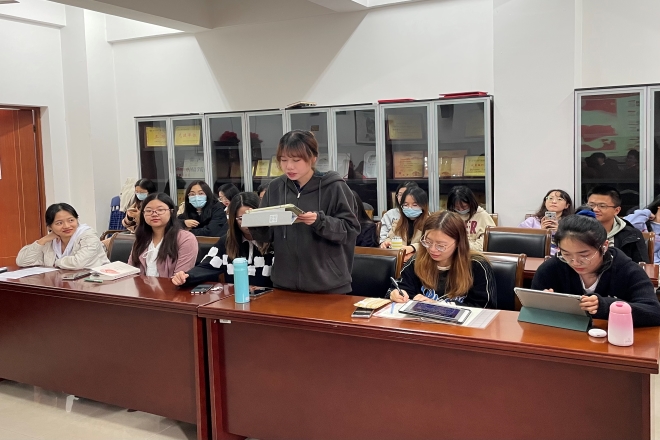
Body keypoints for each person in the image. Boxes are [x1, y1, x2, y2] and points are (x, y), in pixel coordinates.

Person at [249, 130, 360, 294]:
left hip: (328, 286)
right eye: (283, 160)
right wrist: (255, 222)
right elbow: (268, 236)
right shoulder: (275, 187)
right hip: (284, 284)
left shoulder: (334, 186)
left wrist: (319, 221)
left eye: (296, 160)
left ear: (313, 158)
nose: (289, 166)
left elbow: (350, 230)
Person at [531, 211, 660, 327]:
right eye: (566, 254)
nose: (575, 262)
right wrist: (542, 304)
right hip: (565, 338)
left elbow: (654, 312)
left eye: (584, 255)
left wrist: (607, 306)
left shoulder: (627, 270)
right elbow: (531, 312)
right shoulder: (551, 268)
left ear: (604, 246)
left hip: (613, 338)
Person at [387, 211, 496, 309]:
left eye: (441, 245)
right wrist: (396, 294)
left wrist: (439, 306)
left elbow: (485, 307)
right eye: (428, 242)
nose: (432, 249)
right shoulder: (417, 261)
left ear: (459, 243)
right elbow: (399, 289)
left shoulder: (477, 265)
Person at [172, 192, 274, 287]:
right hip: (235, 296)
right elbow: (206, 266)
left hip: (271, 298)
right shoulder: (226, 242)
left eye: (251, 217)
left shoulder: (273, 241)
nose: (247, 223)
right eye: (241, 218)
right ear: (233, 219)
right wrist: (186, 276)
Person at [16, 203, 109, 269]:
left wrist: (57, 263)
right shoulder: (50, 241)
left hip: (95, 283)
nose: (67, 226)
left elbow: (78, 263)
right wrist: (42, 241)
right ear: (49, 226)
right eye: (59, 223)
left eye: (71, 220)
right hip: (63, 283)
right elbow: (22, 261)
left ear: (77, 220)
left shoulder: (88, 236)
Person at [129, 193, 197, 277]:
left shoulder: (186, 239)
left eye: (160, 210)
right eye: (149, 211)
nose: (154, 214)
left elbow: (180, 278)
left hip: (170, 285)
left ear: (171, 212)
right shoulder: (141, 237)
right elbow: (130, 271)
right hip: (140, 285)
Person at [586, 185, 648, 263]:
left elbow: (642, 265)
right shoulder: (576, 231)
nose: (595, 209)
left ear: (617, 210)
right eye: (591, 205)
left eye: (602, 206)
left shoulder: (632, 235)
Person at [519, 189, 574, 255]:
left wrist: (560, 232)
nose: (554, 201)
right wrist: (541, 232)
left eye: (559, 199)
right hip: (536, 255)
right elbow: (520, 241)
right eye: (550, 198)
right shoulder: (532, 221)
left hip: (561, 256)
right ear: (545, 203)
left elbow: (577, 243)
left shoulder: (571, 223)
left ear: (567, 205)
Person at [380, 187, 429, 261]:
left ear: (423, 206)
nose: (409, 208)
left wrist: (412, 248)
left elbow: (430, 244)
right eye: (405, 205)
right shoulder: (397, 223)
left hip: (420, 262)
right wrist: (386, 243)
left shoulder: (430, 223)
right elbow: (390, 238)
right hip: (399, 260)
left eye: (415, 205)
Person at [447, 185, 495, 252]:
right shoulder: (449, 216)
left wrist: (463, 247)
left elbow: (486, 244)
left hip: (476, 253)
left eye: (464, 207)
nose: (461, 210)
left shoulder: (482, 216)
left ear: (471, 203)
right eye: (457, 207)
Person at [624, 195, 660, 263]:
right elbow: (625, 223)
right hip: (632, 262)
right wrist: (647, 212)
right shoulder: (643, 221)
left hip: (654, 265)